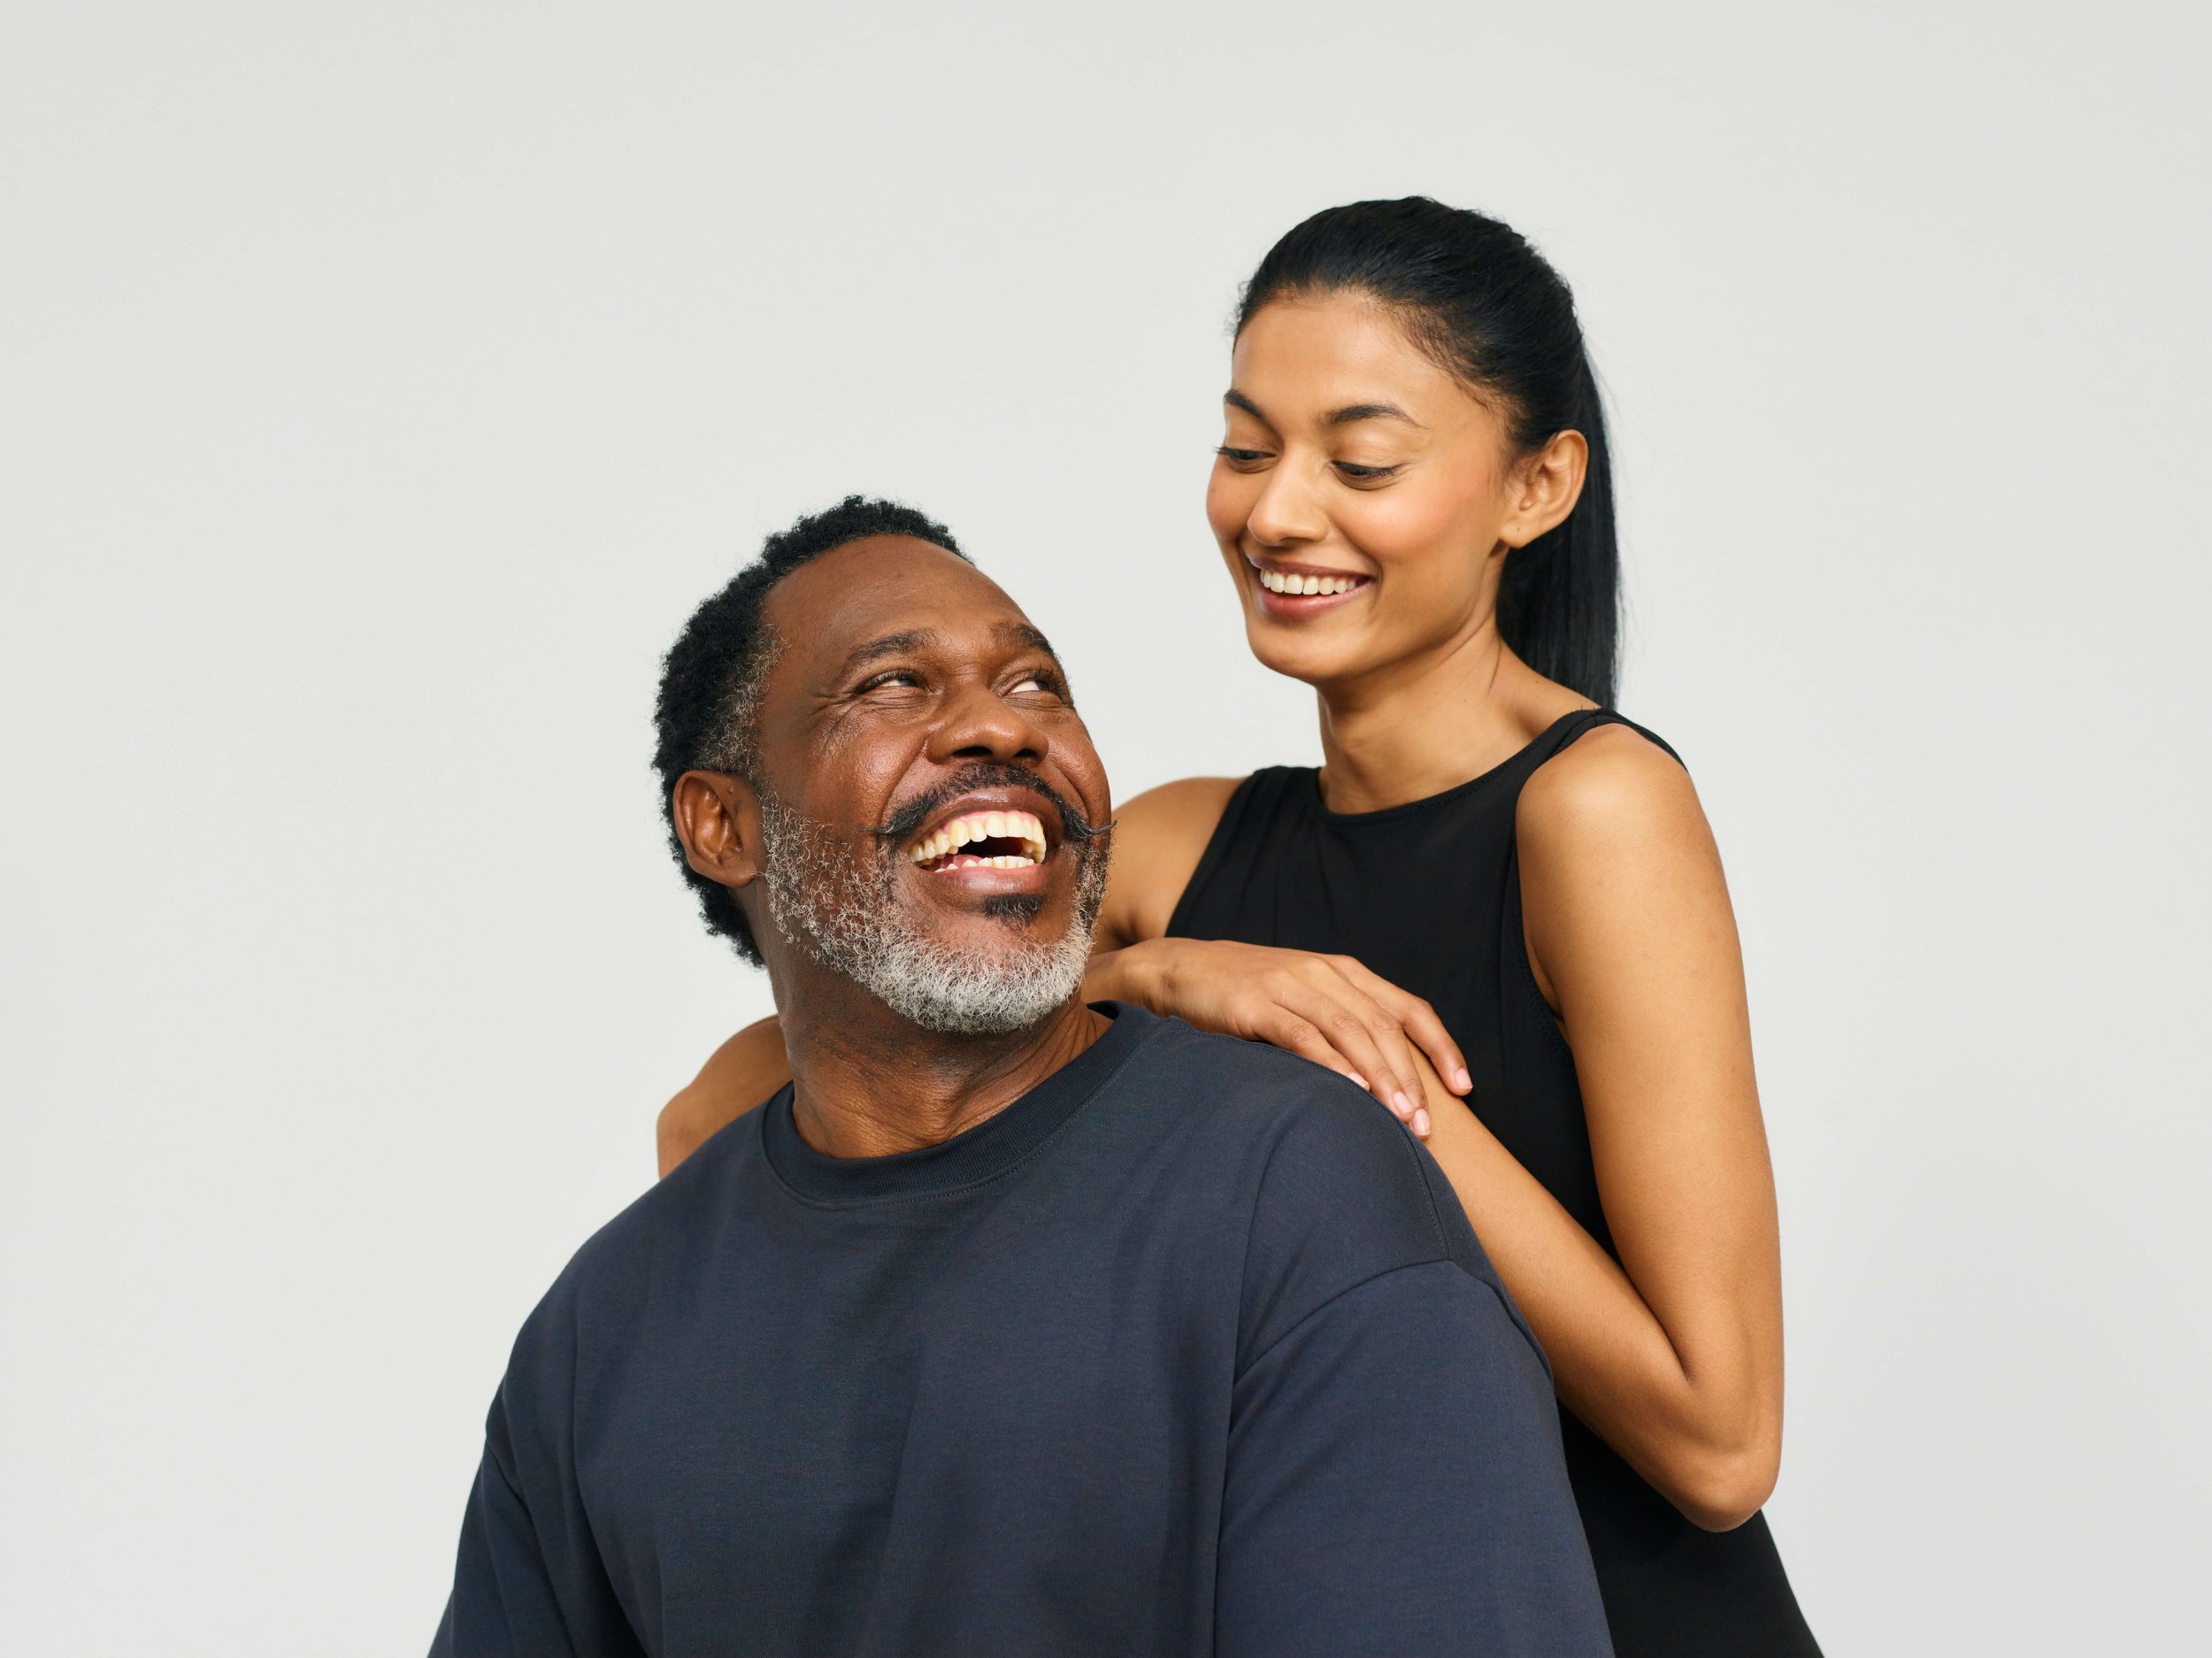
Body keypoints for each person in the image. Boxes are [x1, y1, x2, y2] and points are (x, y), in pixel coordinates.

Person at [659, 201, 1821, 1656]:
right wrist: (1164, 977)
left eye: (1363, 459)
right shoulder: (1178, 845)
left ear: (1537, 485)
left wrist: (1370, 1095)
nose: (1277, 513)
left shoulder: (1596, 810)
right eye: (1247, 446)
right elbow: (711, 1121)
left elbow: (1722, 1441)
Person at [432, 497, 1612, 1656]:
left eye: (1038, 683)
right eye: (893, 684)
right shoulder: (603, 1330)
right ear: (724, 825)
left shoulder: (1296, 1197)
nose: (1001, 726)